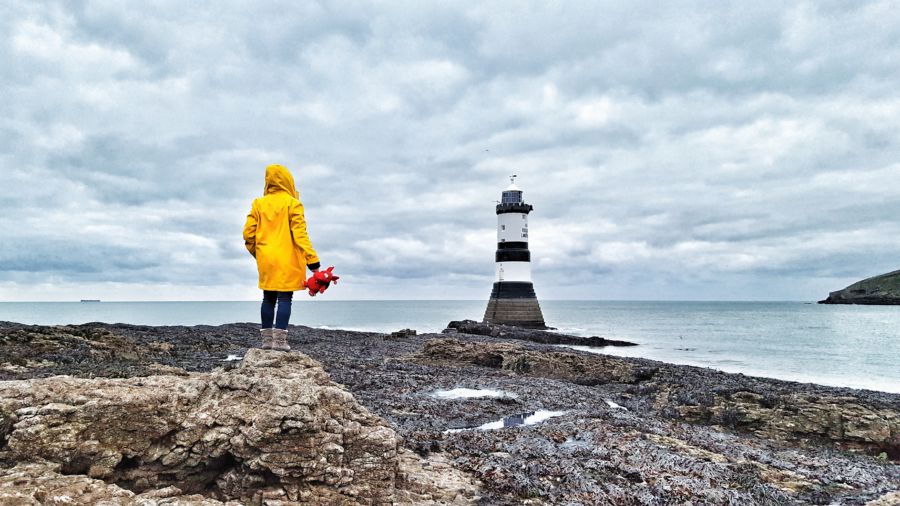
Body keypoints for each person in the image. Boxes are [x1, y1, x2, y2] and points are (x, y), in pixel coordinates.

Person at [242, 164, 320, 351]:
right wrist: (313, 262)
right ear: (288, 181)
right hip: (287, 260)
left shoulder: (258, 203)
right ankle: (280, 342)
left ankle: (266, 341)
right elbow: (300, 235)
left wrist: (258, 252)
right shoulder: (293, 203)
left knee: (268, 298)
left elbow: (247, 234)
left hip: (266, 258)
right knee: (285, 299)